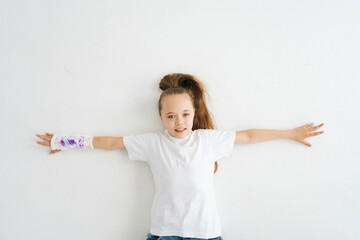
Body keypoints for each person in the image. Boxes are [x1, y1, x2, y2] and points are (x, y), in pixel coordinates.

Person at [35, 73, 325, 240]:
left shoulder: (208, 140)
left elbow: (248, 136)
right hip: (165, 233)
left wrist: (290, 133)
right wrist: (67, 141)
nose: (179, 121)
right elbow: (110, 142)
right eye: (171, 115)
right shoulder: (151, 143)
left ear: (194, 113)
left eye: (185, 114)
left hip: (206, 233)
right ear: (161, 117)